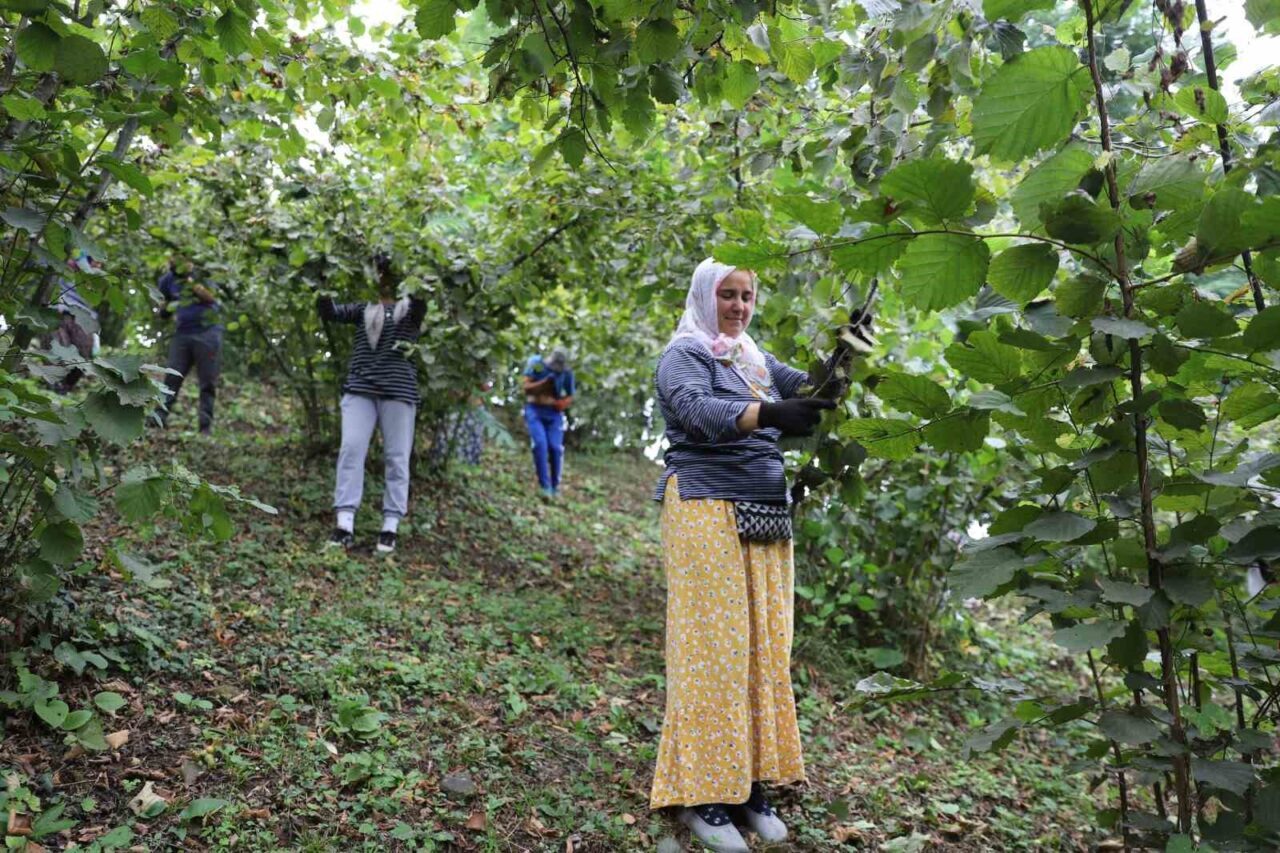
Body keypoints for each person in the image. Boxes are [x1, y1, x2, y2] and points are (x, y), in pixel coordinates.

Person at [649, 259, 850, 852]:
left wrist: (847, 352)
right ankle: (702, 794)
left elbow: (813, 393)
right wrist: (767, 413)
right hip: (705, 504)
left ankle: (746, 784)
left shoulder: (754, 358)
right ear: (705, 297)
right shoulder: (684, 354)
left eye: (747, 296)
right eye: (728, 295)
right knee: (712, 648)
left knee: (764, 646)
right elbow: (698, 411)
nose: (739, 306)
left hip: (764, 510)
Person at [319, 253, 426, 555]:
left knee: (397, 458)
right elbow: (329, 312)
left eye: (387, 271)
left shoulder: (411, 309)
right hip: (360, 389)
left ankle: (390, 527)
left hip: (399, 392)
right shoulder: (363, 308)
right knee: (351, 450)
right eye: (380, 271)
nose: (383, 277)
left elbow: (424, 296)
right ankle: (344, 525)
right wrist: (321, 278)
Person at [155, 257, 223, 434]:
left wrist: (194, 285)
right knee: (172, 377)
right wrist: (164, 309)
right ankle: (158, 419)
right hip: (182, 333)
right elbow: (163, 306)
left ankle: (205, 427)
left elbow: (213, 298)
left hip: (208, 332)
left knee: (207, 382)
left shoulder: (203, 274)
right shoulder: (167, 280)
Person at [42, 254, 101, 393]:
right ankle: (55, 385)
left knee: (83, 355)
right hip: (56, 310)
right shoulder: (63, 263)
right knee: (55, 348)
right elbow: (40, 261)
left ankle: (66, 386)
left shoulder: (94, 277)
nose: (98, 266)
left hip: (82, 315)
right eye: (96, 262)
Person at [522, 349, 575, 499]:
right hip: (534, 409)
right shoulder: (536, 364)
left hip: (553, 413)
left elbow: (570, 395)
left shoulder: (567, 372)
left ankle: (555, 486)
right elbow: (526, 387)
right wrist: (544, 383)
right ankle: (544, 486)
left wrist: (563, 403)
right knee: (540, 444)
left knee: (555, 448)